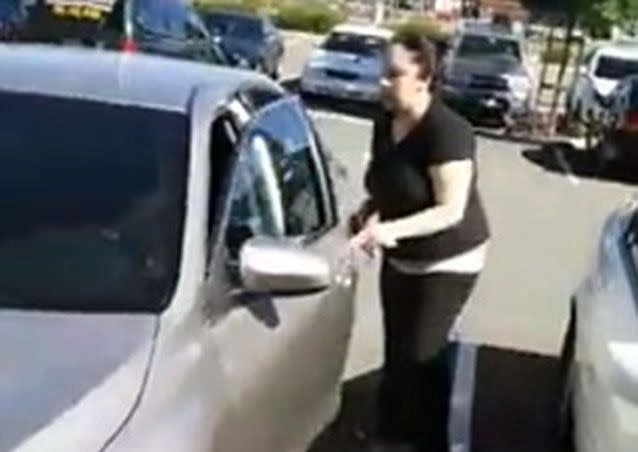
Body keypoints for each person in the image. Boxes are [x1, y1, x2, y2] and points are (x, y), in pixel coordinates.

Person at [349, 31, 490, 452]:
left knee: (421, 357)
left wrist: (389, 231)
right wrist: (368, 210)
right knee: (397, 352)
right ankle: (390, 437)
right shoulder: (385, 122)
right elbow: (390, 182)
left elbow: (450, 210)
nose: (383, 84)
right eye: (382, 74)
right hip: (401, 257)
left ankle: (430, 441)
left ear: (424, 77)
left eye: (394, 75)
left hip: (449, 262)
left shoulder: (448, 132)